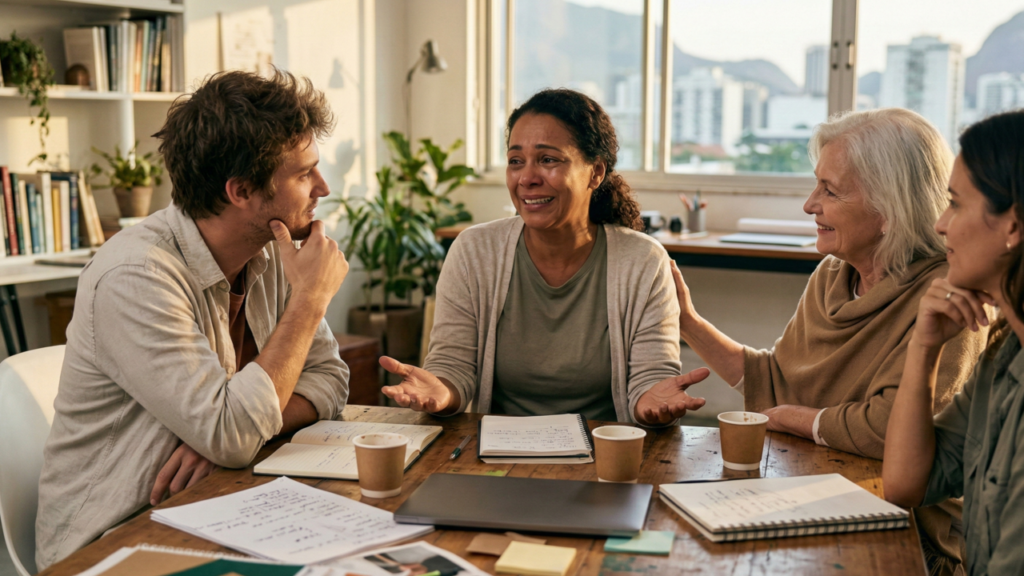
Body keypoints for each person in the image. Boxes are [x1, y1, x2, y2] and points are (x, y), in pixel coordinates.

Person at [35, 70, 351, 570]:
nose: (323, 187)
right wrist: (310, 299)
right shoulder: (134, 276)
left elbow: (331, 379)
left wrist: (237, 434)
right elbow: (231, 434)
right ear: (241, 191)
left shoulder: (269, 249)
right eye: (303, 174)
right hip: (117, 540)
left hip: (221, 502)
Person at [671, 108, 986, 575]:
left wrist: (798, 419)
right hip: (816, 494)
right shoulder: (833, 274)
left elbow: (889, 431)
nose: (809, 204)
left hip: (910, 533)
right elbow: (776, 379)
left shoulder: (946, 296)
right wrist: (687, 321)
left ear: (888, 207)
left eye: (830, 190)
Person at [377, 88, 707, 426]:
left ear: (595, 172)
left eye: (548, 160)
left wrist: (652, 402)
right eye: (516, 161)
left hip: (606, 453)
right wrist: (442, 392)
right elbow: (453, 366)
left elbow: (652, 379)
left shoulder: (643, 260)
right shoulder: (474, 251)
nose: (527, 178)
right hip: (496, 453)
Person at [884, 110, 1024, 576]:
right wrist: (923, 348)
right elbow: (906, 485)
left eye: (956, 204)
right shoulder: (1004, 357)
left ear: (1014, 225)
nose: (942, 225)